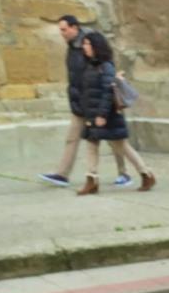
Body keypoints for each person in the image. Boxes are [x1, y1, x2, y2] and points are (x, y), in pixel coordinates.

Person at [38, 17, 135, 189]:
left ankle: (124, 173)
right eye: (60, 30)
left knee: (115, 140)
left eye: (64, 29)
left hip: (98, 102)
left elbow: (105, 69)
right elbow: (75, 78)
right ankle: (62, 175)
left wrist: (102, 107)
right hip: (81, 101)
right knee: (72, 138)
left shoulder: (91, 42)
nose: (61, 33)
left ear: (74, 27)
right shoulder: (72, 48)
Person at [75, 31, 156, 195]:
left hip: (107, 115)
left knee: (122, 146)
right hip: (92, 114)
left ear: (96, 46)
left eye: (87, 44)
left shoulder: (106, 66)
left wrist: (102, 115)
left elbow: (107, 92)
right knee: (91, 145)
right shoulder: (90, 66)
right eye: (83, 44)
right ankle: (92, 180)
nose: (84, 47)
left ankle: (146, 174)